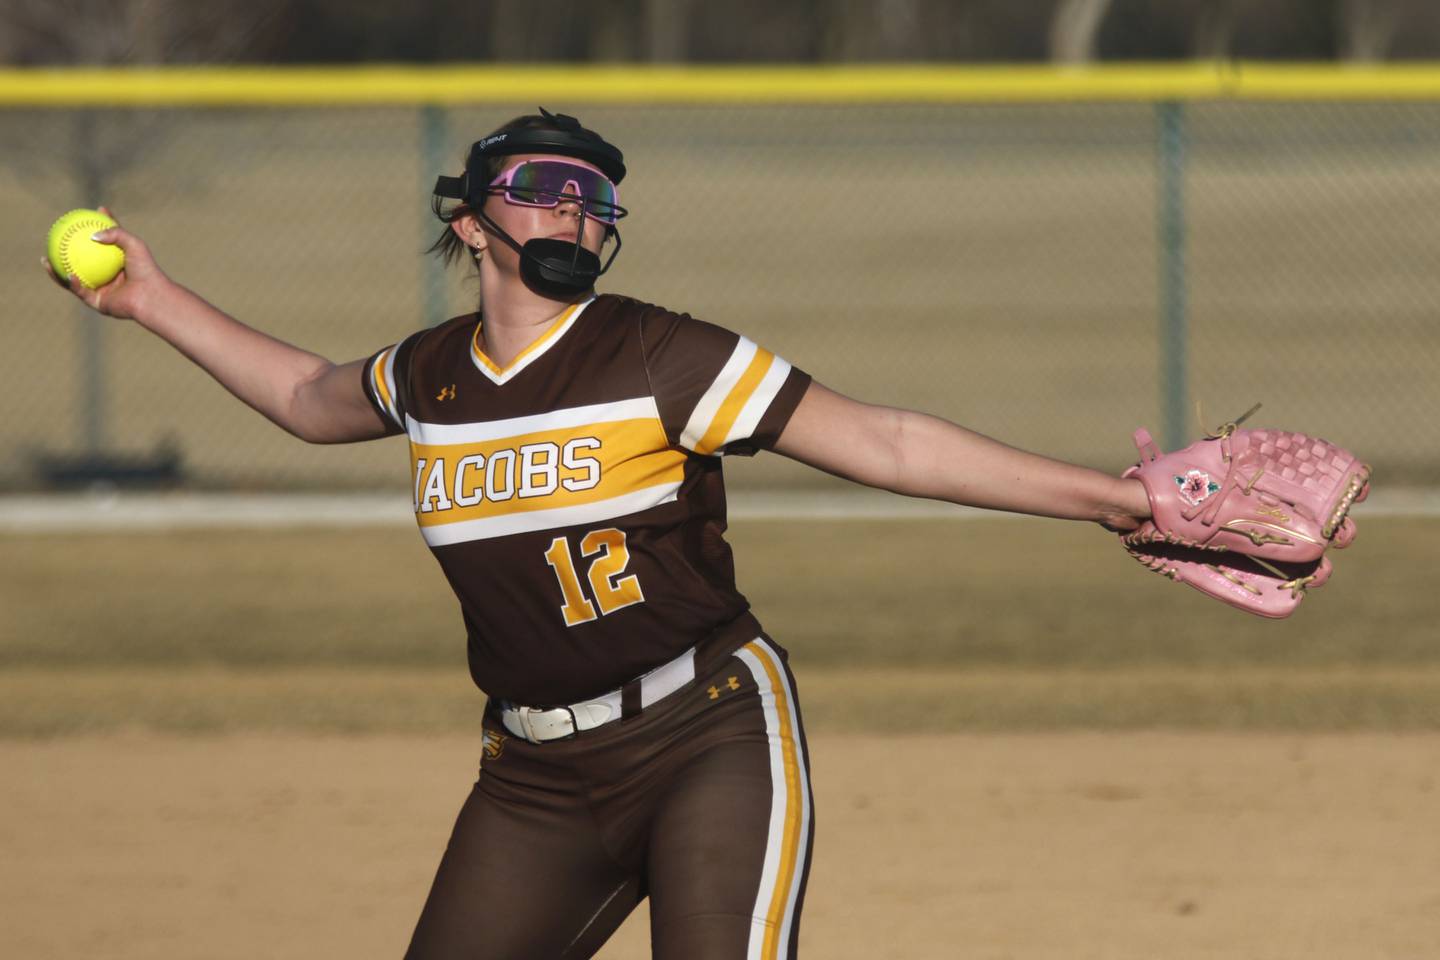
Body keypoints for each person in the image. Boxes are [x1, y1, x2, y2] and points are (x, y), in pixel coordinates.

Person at [46, 109, 1151, 960]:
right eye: (545, 190)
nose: (577, 211)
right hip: (532, 778)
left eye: (595, 198)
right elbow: (303, 394)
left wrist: (1113, 499)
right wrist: (151, 301)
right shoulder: (431, 373)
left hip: (707, 734)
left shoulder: (662, 354)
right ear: (469, 221)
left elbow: (892, 443)